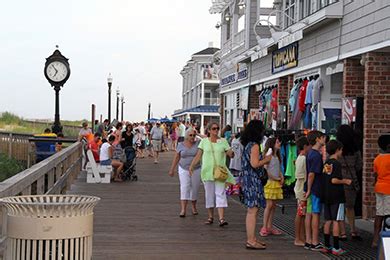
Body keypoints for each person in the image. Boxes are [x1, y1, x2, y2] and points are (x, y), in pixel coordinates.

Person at [189, 122, 235, 227]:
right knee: (209, 195)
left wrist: (232, 153)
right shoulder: (204, 142)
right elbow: (198, 155)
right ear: (209, 130)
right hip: (207, 172)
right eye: (214, 129)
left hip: (220, 172)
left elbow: (229, 153)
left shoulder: (223, 141)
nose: (216, 130)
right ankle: (210, 217)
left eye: (217, 128)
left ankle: (222, 219)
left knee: (220, 194)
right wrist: (192, 166)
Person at [240, 120, 272, 250]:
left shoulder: (248, 145)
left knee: (252, 210)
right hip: (253, 180)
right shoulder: (254, 146)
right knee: (253, 211)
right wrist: (266, 159)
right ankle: (251, 240)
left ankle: (252, 238)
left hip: (247, 179)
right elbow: (254, 164)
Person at [321, 140, 352, 256]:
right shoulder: (337, 164)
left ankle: (326, 245)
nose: (342, 152)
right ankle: (336, 247)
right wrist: (345, 181)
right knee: (336, 221)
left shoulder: (326, 163)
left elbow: (328, 178)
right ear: (338, 150)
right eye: (341, 150)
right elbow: (334, 180)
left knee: (328, 220)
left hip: (327, 195)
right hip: (337, 196)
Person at [335, 125, 363, 241]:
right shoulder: (355, 149)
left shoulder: (336, 148)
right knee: (350, 207)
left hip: (337, 180)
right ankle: (353, 230)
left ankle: (342, 232)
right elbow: (359, 166)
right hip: (351, 181)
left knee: (338, 207)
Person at [168, 128, 201, 217]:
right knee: (184, 187)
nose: (192, 137)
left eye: (194, 135)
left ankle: (193, 207)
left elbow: (206, 139)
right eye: (190, 135)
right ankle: (183, 209)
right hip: (183, 168)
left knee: (195, 188)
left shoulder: (198, 143)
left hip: (196, 168)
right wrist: (172, 169)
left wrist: (198, 134)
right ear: (186, 136)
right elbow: (177, 157)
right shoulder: (180, 145)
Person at [304, 130, 326, 251]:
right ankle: (315, 241)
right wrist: (309, 189)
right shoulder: (316, 155)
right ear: (317, 139)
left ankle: (308, 240)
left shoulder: (309, 153)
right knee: (315, 214)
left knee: (309, 213)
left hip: (310, 188)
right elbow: (312, 174)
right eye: (322, 137)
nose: (324, 139)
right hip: (315, 188)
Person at [260, 137, 284, 237]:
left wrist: (281, 177)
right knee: (269, 205)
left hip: (276, 182)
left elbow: (278, 169)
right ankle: (264, 227)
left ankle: (269, 226)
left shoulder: (277, 156)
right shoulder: (269, 156)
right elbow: (266, 169)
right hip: (270, 182)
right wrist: (275, 178)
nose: (279, 143)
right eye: (277, 142)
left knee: (273, 206)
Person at [372, 133, 390, 248]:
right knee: (388, 215)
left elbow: (375, 174)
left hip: (379, 187)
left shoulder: (377, 159)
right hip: (388, 189)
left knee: (379, 214)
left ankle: (375, 239)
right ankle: (387, 239)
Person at [293, 136, 310, 246]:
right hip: (301, 191)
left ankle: (301, 237)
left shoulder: (300, 158)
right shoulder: (303, 159)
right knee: (300, 214)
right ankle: (298, 238)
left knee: (302, 214)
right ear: (305, 146)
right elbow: (300, 176)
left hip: (300, 190)